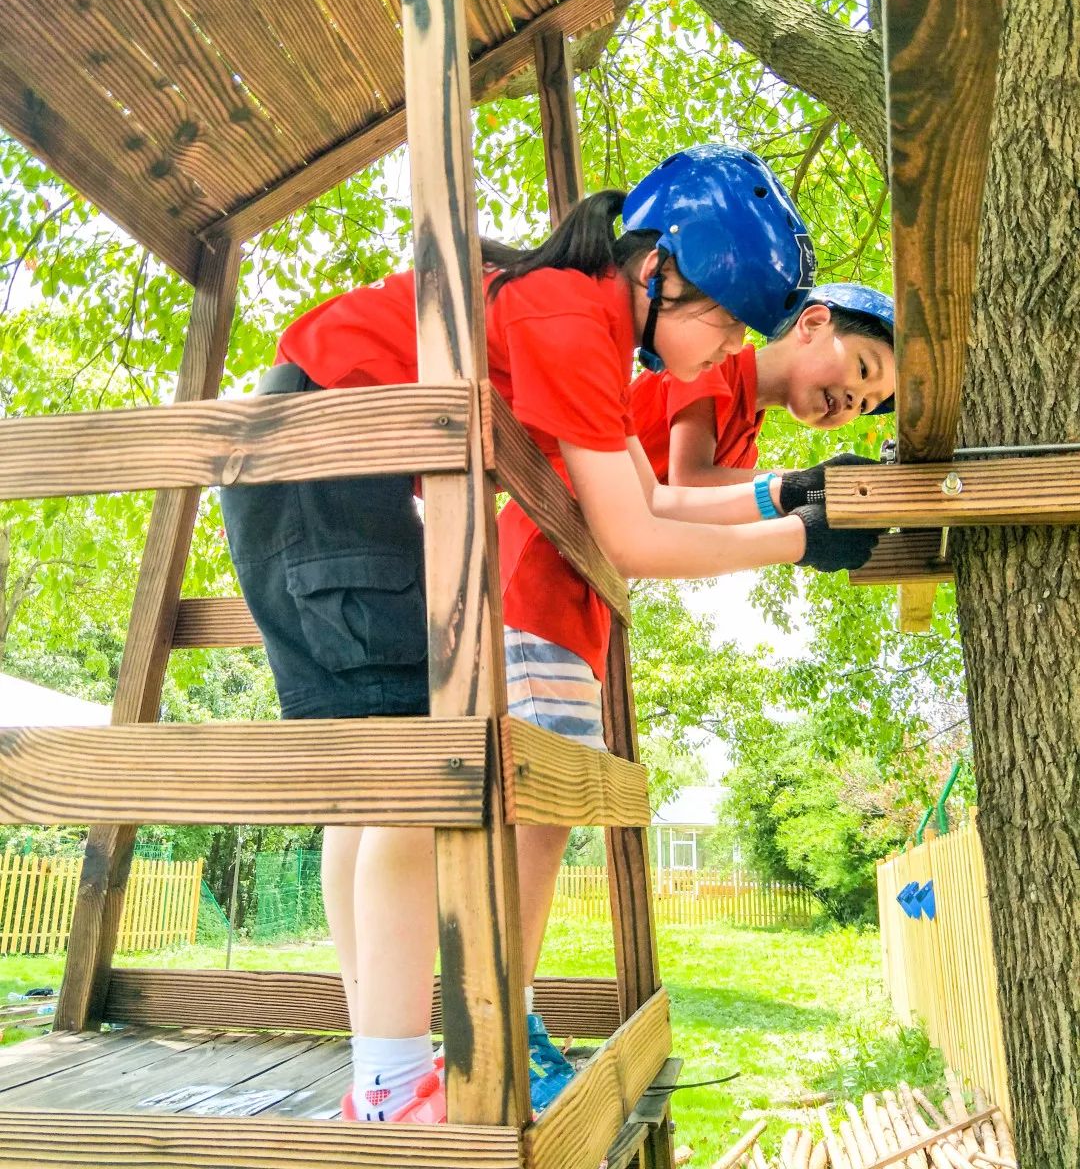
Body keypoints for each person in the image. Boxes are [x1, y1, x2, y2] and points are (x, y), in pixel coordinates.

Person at [220, 143, 881, 1124]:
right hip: (329, 470)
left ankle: (385, 1068)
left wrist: (785, 500)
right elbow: (633, 537)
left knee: (369, 791)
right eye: (723, 325)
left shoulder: (583, 320)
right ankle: (397, 1088)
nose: (728, 352)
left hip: (297, 469)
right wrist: (796, 542)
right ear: (658, 274)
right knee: (411, 787)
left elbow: (652, 491)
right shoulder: (576, 318)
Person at [631, 282, 895, 491]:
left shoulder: (744, 456)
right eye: (864, 369)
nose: (854, 400)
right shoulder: (711, 361)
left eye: (864, 406)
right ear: (813, 324)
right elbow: (689, 480)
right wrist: (810, 483)